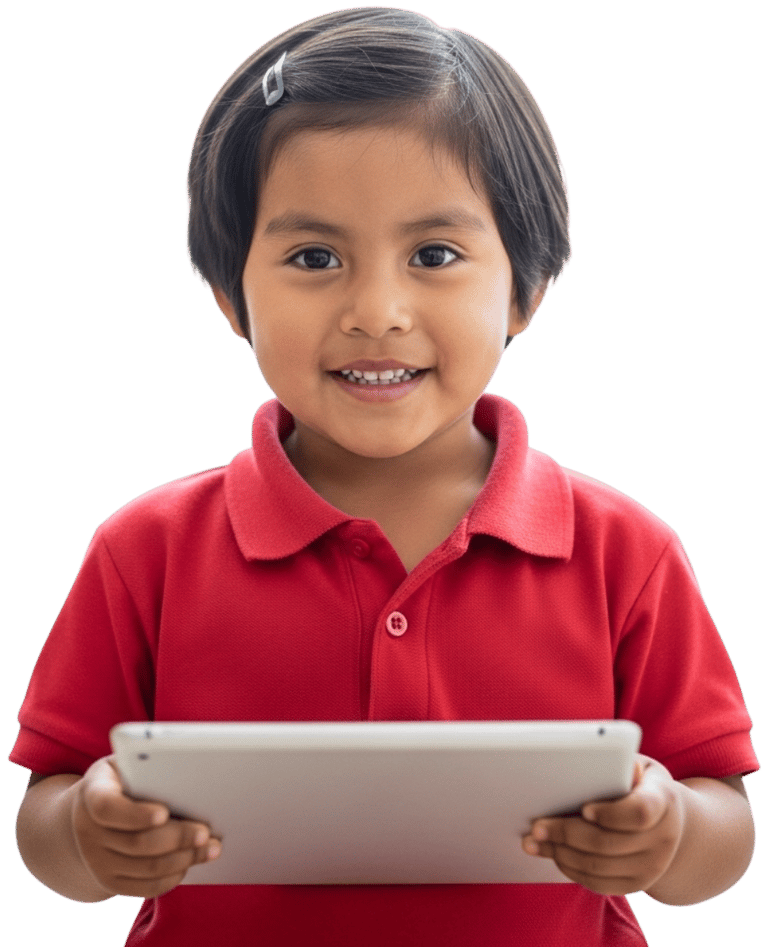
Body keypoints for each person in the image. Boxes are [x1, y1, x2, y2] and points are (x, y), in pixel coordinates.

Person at [9, 7, 758, 946]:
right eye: (313, 257)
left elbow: (722, 823)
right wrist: (89, 835)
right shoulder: (145, 551)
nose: (376, 311)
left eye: (435, 255)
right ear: (227, 292)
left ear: (526, 287)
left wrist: (669, 835)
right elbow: (49, 812)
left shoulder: (625, 551)